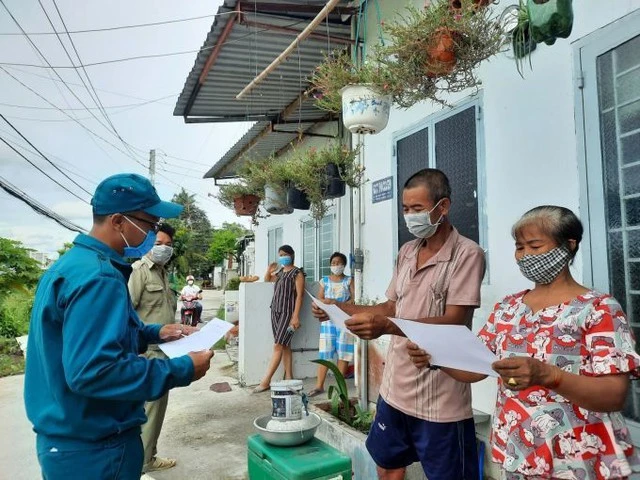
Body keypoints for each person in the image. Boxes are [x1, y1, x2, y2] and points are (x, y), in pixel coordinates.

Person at [408, 205, 640, 478]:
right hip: (520, 453)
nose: (525, 256)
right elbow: (474, 366)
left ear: (569, 245)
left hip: (581, 456)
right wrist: (436, 357)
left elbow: (613, 395)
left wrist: (549, 375)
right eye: (519, 247)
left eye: (535, 245)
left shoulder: (599, 309)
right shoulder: (509, 308)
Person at [24, 173, 214, 480]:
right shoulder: (100, 278)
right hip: (95, 449)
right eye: (149, 225)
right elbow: (95, 372)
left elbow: (96, 337)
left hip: (72, 441)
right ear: (118, 221)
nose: (153, 234)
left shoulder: (72, 266)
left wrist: (156, 332)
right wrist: (181, 369)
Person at [313, 168, 486, 479]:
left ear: (442, 207)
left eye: (418, 209)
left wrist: (388, 326)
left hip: (440, 399)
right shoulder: (407, 252)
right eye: (406, 209)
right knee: (387, 465)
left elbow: (453, 321)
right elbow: (390, 306)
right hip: (395, 390)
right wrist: (337, 307)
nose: (410, 216)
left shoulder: (467, 254)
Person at [128, 222, 179, 475]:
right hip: (147, 351)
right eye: (159, 244)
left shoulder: (162, 272)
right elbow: (127, 313)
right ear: (147, 243)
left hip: (164, 350)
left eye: (168, 245)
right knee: (149, 408)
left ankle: (148, 455)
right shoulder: (139, 271)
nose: (164, 249)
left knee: (156, 409)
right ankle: (143, 461)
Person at [253, 245, 305, 393]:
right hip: (275, 311)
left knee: (278, 345)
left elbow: (300, 296)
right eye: (280, 254)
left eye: (285, 254)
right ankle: (289, 376)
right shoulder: (281, 272)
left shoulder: (297, 273)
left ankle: (265, 381)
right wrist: (269, 269)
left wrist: (295, 317)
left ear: (292, 255)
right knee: (285, 345)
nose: (283, 257)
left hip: (287, 313)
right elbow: (267, 279)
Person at [308, 252, 355, 398]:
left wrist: (339, 305)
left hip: (344, 320)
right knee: (325, 353)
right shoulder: (325, 280)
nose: (336, 265)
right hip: (328, 321)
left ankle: (340, 388)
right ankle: (319, 386)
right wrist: (326, 304)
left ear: (344, 265)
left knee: (344, 353)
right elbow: (320, 298)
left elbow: (354, 298)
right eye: (333, 263)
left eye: (339, 263)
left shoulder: (349, 280)